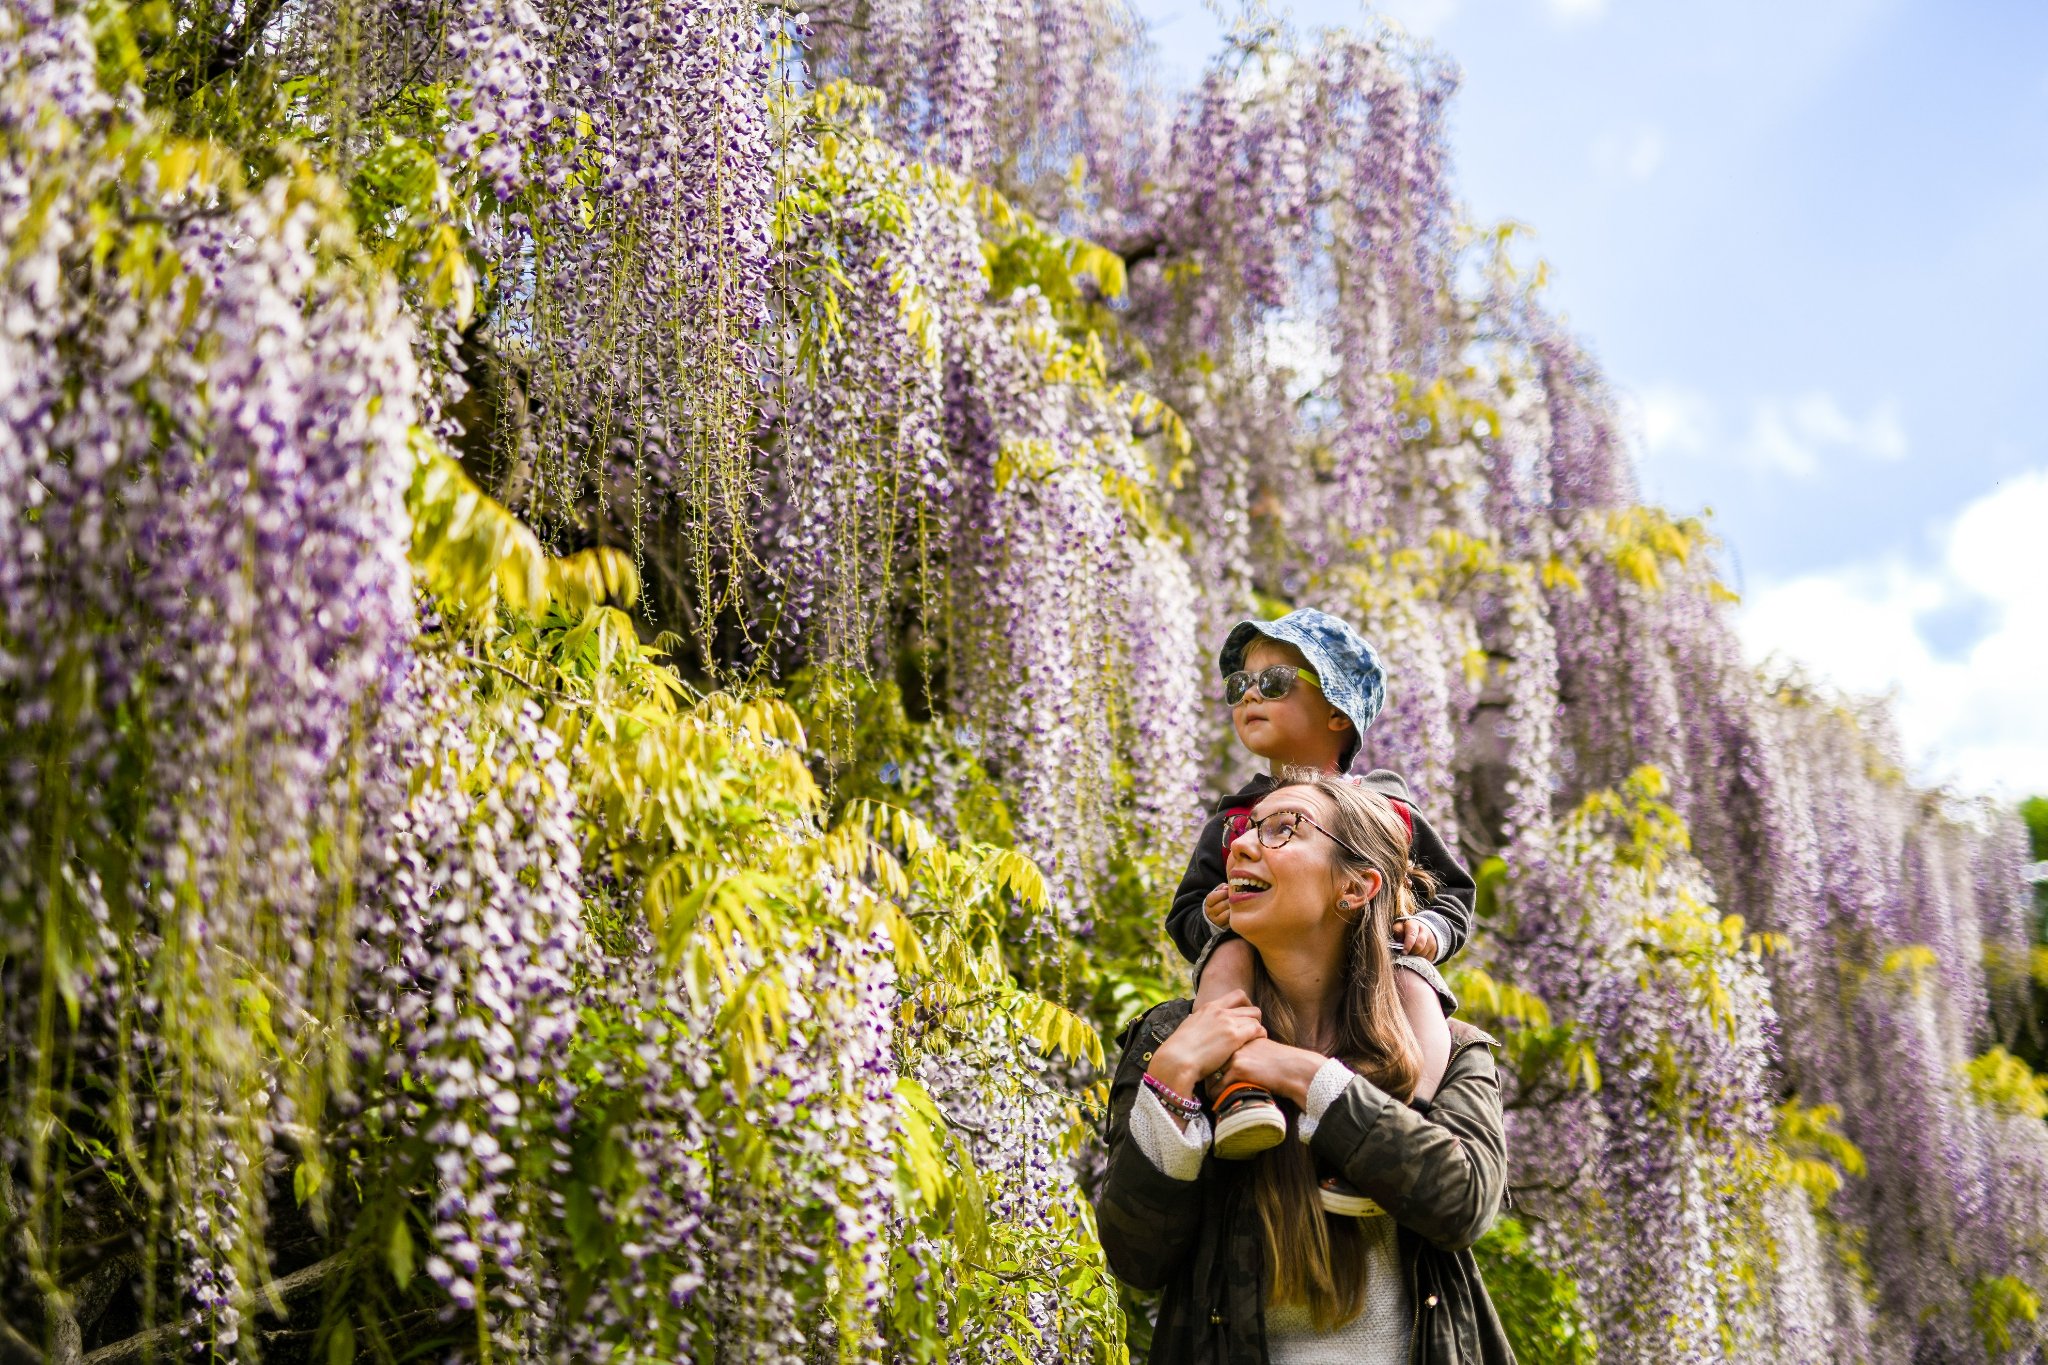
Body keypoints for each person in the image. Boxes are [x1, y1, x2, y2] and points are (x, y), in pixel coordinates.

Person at [1098, 772, 1514, 1364]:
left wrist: (1303, 1076)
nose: (1238, 845)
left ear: (1357, 886)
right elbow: (1137, 1258)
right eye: (1243, 830)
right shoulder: (1174, 1039)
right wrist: (1169, 1084)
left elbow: (1462, 1202)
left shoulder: (1448, 1047)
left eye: (1283, 829)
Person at [1167, 609, 1476, 1160]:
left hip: (1373, 970)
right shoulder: (1236, 818)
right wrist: (1212, 919)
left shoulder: (1387, 807)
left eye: (1275, 682)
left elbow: (1454, 895)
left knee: (1417, 982)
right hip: (1272, 983)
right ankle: (1240, 1088)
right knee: (1226, 957)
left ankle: (1404, 1120)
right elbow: (1186, 914)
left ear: (1337, 711)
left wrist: (1429, 928)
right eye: (1238, 685)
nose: (1248, 696)